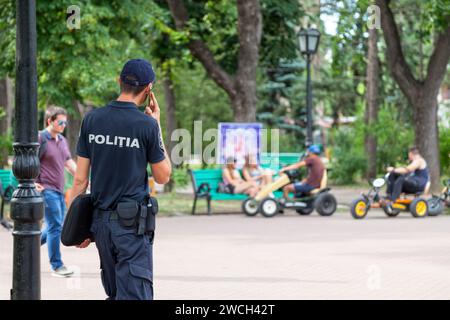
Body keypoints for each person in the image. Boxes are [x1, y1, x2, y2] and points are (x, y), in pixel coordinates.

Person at [70, 59, 172, 300]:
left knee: (115, 293)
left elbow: (80, 180)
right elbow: (163, 175)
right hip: (131, 228)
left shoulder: (92, 119)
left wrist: (78, 227)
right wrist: (156, 125)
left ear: (119, 81)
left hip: (100, 225)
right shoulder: (147, 125)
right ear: (149, 89)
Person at [36, 106, 77, 277]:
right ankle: (57, 266)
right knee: (55, 227)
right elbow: (25, 160)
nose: (63, 125)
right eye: (60, 122)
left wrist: (84, 179)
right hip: (46, 189)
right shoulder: (39, 138)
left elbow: (68, 163)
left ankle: (25, 246)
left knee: (56, 226)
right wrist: (32, 183)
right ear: (49, 121)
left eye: (65, 122)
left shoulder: (62, 140)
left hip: (59, 190)